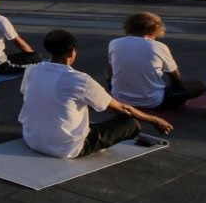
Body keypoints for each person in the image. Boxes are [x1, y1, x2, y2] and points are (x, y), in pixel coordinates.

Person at [20, 29, 173, 158]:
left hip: (31, 139)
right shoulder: (79, 79)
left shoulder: (32, 69)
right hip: (67, 149)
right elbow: (123, 108)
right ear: (73, 51)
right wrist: (153, 120)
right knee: (130, 123)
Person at [108, 12, 206, 109]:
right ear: (155, 29)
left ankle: (121, 91)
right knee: (200, 86)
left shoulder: (114, 43)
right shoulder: (159, 46)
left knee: (109, 68)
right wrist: (179, 92)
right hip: (152, 101)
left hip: (119, 98)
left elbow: (113, 70)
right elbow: (174, 75)